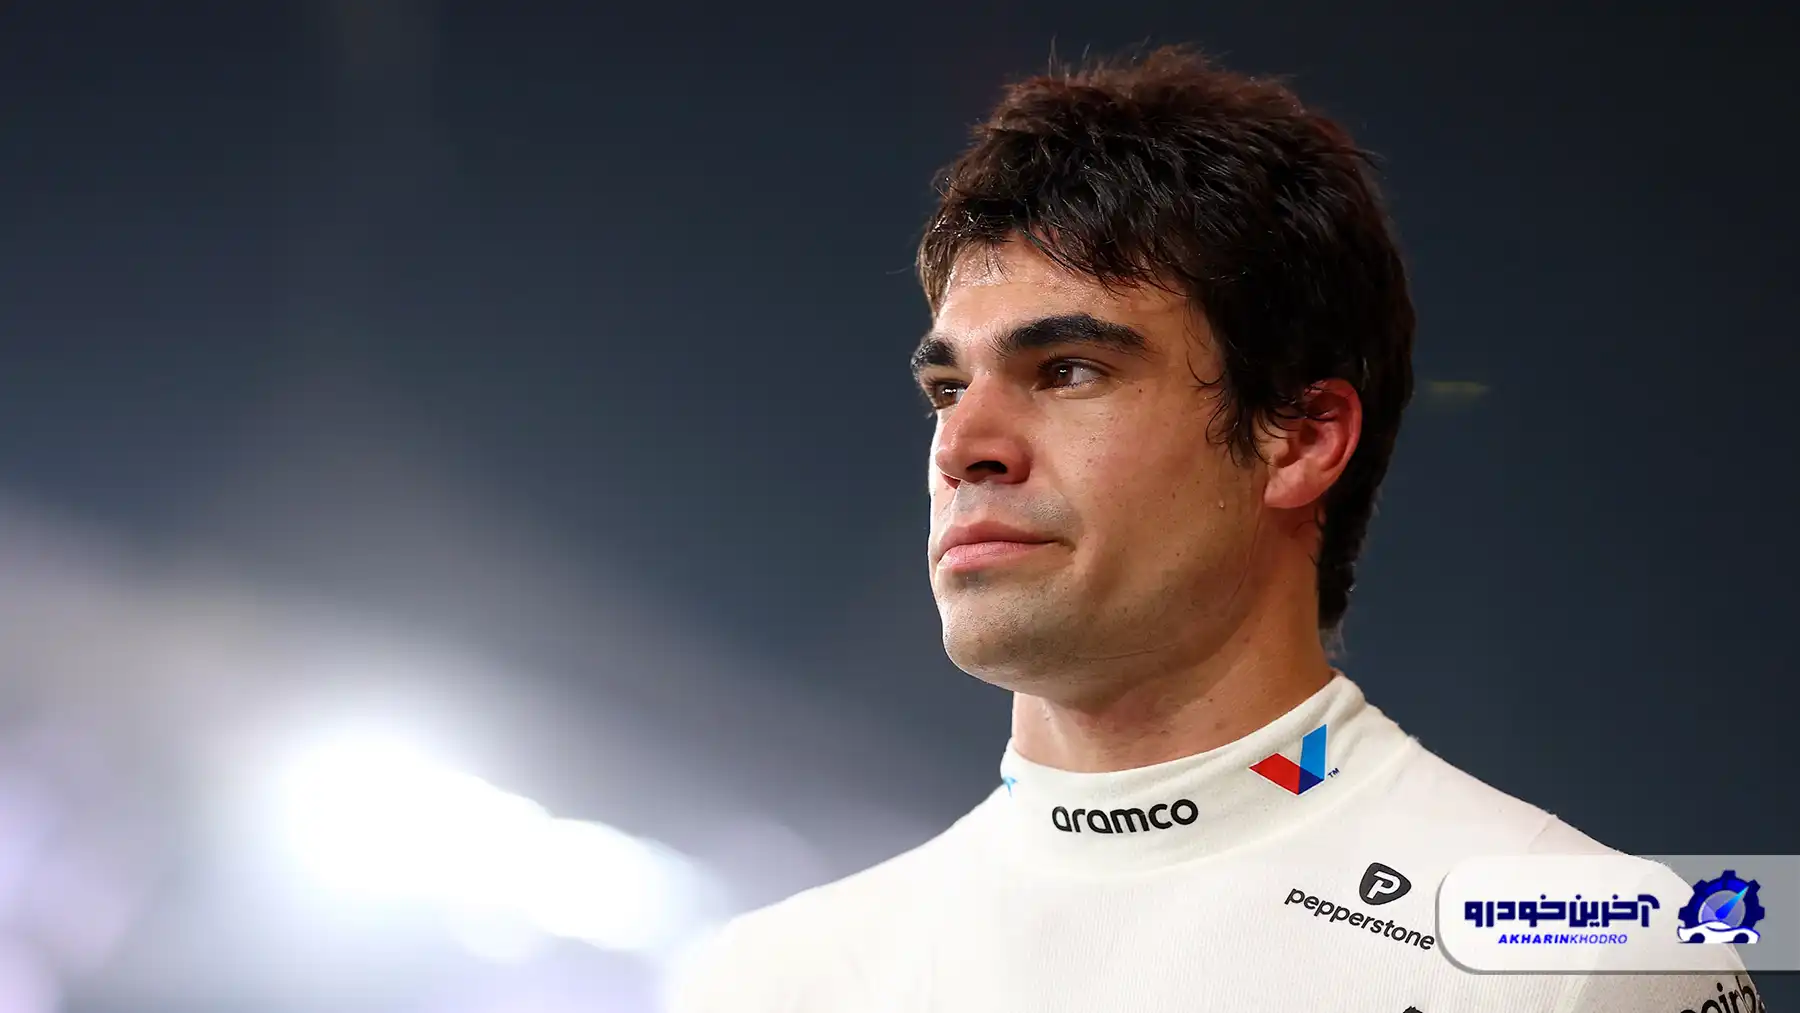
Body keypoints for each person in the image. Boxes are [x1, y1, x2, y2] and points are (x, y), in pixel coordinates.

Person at [671, 46, 1758, 1013]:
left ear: (1301, 437)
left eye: (1070, 370)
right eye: (948, 388)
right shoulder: (769, 980)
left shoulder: (1587, 955)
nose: (965, 446)